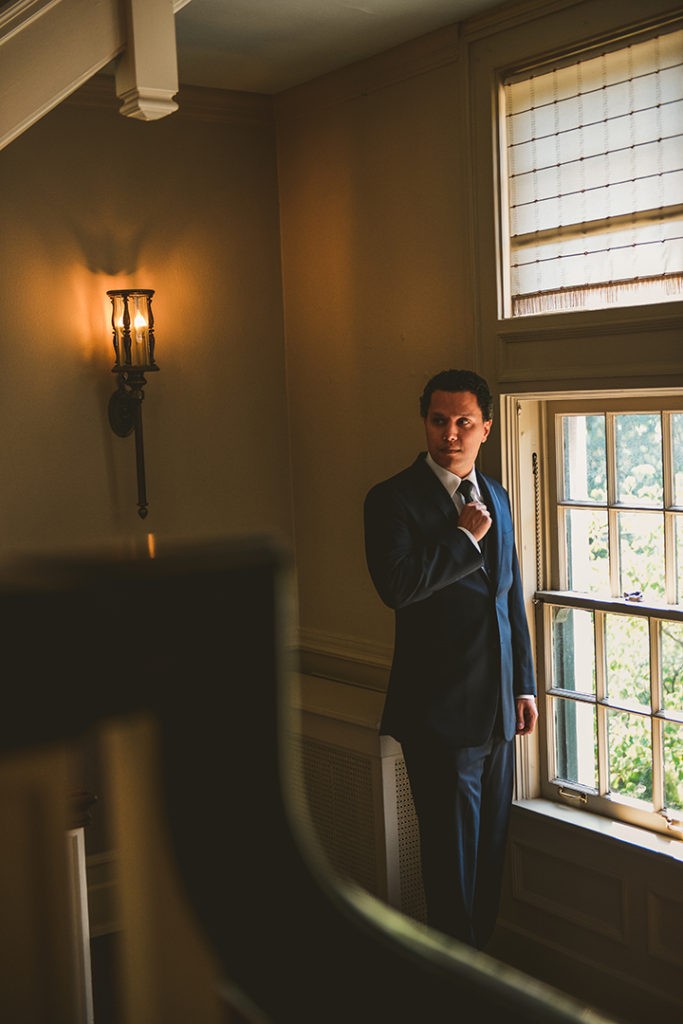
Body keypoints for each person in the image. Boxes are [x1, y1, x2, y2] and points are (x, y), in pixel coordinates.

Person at [364, 368, 537, 949]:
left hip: (498, 716)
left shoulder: (500, 496)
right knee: (450, 874)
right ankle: (452, 994)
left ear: (486, 427)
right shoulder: (391, 499)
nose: (451, 434)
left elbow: (509, 596)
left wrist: (525, 685)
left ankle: (479, 981)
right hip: (439, 720)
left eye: (464, 422)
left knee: (489, 865)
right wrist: (461, 540)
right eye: (440, 421)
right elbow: (397, 585)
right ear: (426, 423)